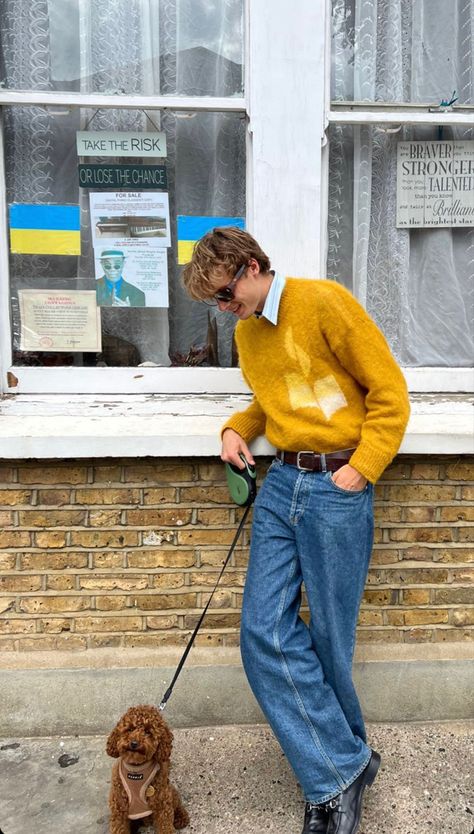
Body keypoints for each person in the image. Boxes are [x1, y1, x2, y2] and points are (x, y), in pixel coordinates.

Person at [182, 227, 410, 834]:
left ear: (254, 267)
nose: (225, 307)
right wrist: (235, 427)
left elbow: (389, 393)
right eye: (217, 302)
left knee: (332, 638)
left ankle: (334, 782)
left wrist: (360, 471)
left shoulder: (323, 302)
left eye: (227, 294)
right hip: (281, 485)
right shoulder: (247, 332)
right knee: (262, 630)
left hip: (338, 484)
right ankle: (345, 766)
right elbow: (270, 402)